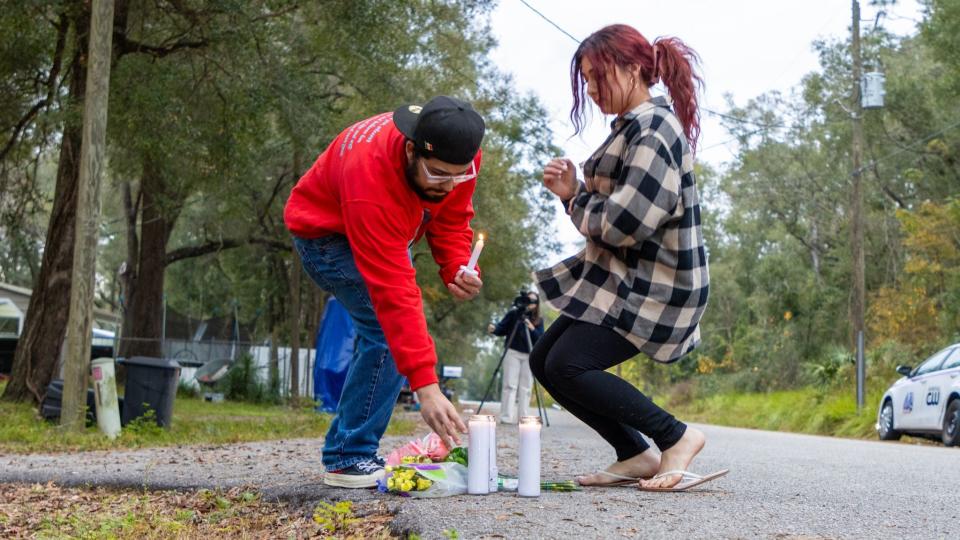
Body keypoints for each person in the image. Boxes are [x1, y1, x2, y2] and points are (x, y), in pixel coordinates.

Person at [531, 24, 722, 492]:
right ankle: (634, 453)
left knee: (568, 364)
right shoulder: (632, 128)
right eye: (587, 81)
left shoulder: (655, 128)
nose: (592, 90)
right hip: (623, 280)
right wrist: (572, 192)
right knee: (544, 359)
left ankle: (676, 437)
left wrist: (576, 198)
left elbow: (627, 221)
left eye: (598, 77)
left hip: (657, 285)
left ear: (634, 69)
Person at [284, 96, 485, 488]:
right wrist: (425, 386)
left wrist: (455, 266)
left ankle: (351, 446)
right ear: (412, 149)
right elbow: (394, 294)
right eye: (439, 174)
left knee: (393, 332)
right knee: (387, 331)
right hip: (326, 237)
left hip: (382, 229)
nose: (449, 185)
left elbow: (452, 214)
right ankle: (348, 456)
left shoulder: (458, 156)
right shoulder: (370, 179)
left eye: (459, 176)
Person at [487, 291, 544, 424]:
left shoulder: (538, 320)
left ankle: (523, 418)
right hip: (512, 352)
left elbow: (541, 339)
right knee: (509, 385)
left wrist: (531, 328)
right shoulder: (514, 314)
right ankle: (506, 417)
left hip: (529, 355)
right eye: (528, 300)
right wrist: (493, 329)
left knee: (526, 387)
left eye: (533, 301)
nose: (530, 303)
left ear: (537, 305)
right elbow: (501, 328)